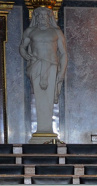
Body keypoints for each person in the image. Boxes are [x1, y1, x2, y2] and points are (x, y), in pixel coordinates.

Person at [18, 6, 67, 136]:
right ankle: (42, 131)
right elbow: (22, 47)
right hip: (36, 65)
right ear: (36, 17)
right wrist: (27, 56)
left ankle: (47, 131)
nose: (42, 18)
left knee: (49, 96)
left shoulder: (56, 32)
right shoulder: (30, 31)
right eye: (39, 16)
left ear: (49, 17)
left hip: (52, 66)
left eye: (45, 16)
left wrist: (62, 72)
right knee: (39, 97)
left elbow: (63, 53)